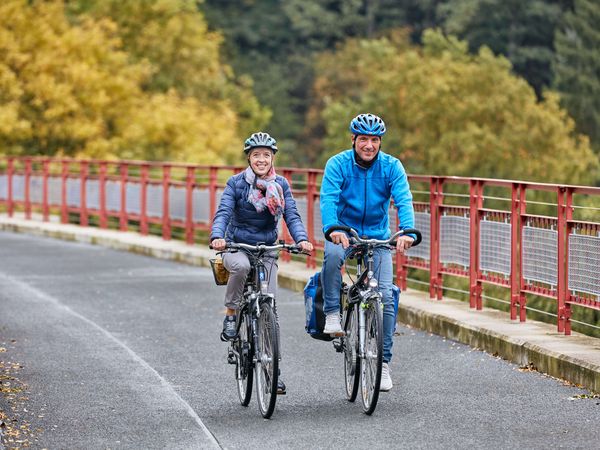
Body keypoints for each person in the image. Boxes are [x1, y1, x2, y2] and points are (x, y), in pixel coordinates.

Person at [210, 131, 313, 395]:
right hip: (237, 245)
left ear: (272, 158)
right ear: (249, 158)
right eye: (256, 155)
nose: (261, 159)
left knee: (270, 306)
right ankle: (232, 315)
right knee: (242, 268)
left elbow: (292, 214)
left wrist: (301, 240)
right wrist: (218, 237)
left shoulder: (281, 185)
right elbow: (223, 212)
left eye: (266, 155)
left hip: (267, 247)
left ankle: (272, 371)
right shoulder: (235, 183)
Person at [319, 113, 415, 392]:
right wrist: (332, 228)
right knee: (333, 256)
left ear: (380, 142)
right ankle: (334, 313)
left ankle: (383, 363)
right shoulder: (337, 164)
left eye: (374, 140)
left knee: (384, 295)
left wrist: (407, 230)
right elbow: (328, 198)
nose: (369, 145)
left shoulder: (392, 167)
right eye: (364, 139)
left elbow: (403, 199)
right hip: (344, 232)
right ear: (353, 140)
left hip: (378, 236)